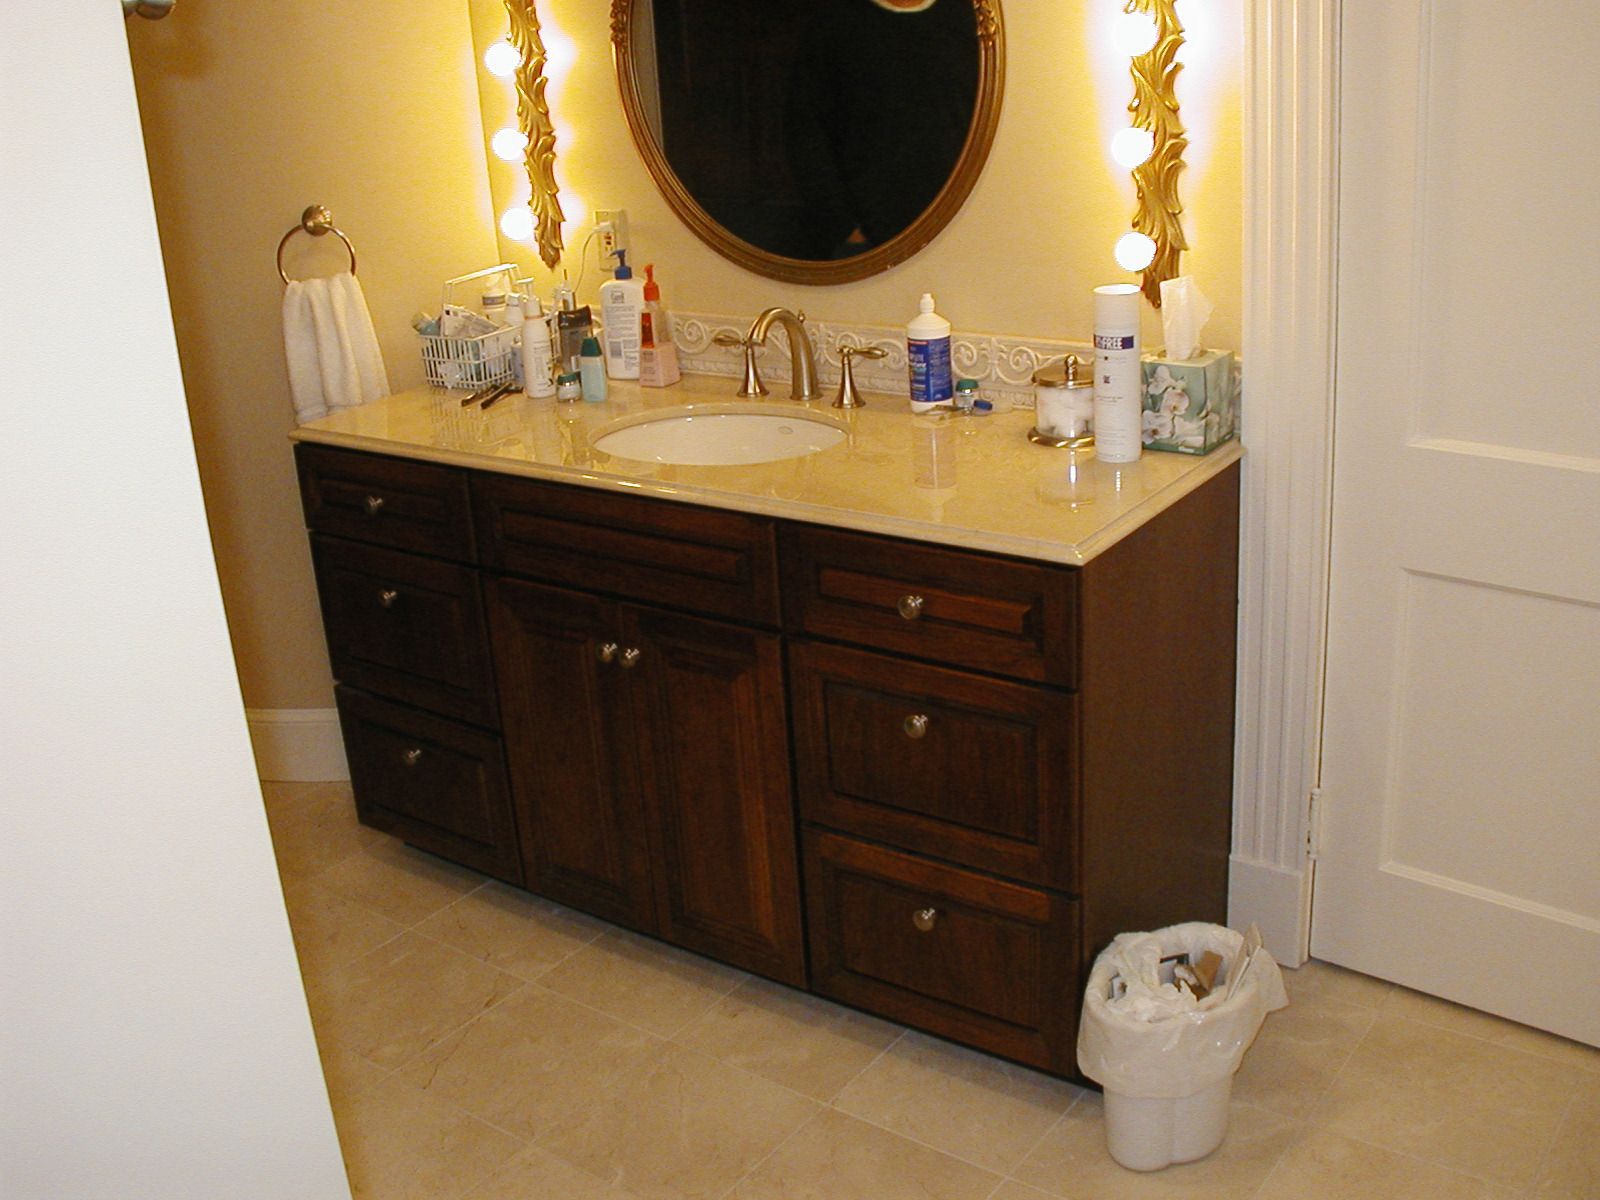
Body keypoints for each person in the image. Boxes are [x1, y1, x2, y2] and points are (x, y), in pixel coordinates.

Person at [785, 0, 979, 258]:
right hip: (866, 240)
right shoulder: (835, 23)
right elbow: (805, 133)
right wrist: (845, 228)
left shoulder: (971, 18)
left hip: (962, 227)